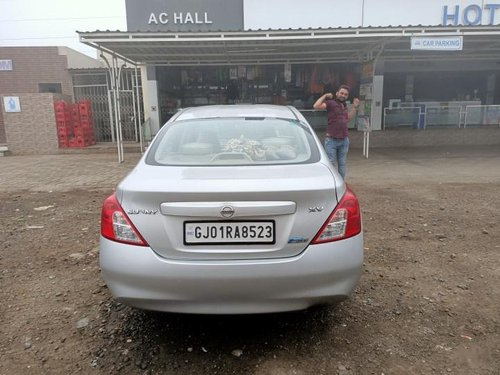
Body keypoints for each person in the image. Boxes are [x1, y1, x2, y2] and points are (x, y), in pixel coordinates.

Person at [313, 84, 360, 179]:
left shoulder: (344, 106)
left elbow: (348, 119)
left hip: (344, 140)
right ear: (337, 93)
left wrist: (355, 107)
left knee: (342, 164)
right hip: (331, 140)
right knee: (331, 164)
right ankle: (333, 183)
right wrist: (325, 95)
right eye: (341, 93)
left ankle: (341, 183)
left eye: (346, 94)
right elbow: (316, 106)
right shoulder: (330, 103)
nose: (343, 95)